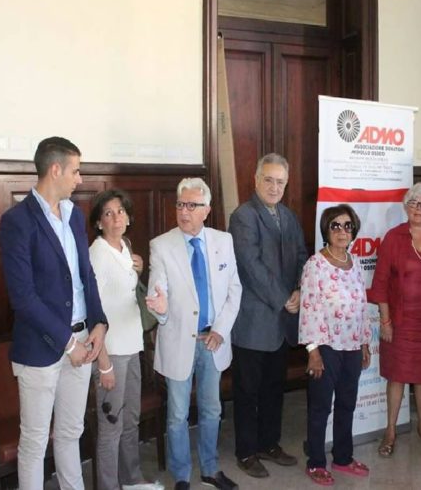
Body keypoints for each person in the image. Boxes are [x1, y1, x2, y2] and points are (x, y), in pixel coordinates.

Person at [0, 136, 108, 490]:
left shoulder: (74, 215)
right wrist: (67, 343)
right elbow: (23, 298)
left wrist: (99, 323)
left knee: (71, 433)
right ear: (55, 169)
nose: (80, 179)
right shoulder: (17, 221)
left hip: (82, 340)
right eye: (75, 171)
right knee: (34, 443)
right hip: (41, 348)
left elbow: (86, 275)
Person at [145, 178, 242, 490]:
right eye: (180, 204)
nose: (184, 211)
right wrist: (160, 307)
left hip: (213, 340)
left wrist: (220, 330)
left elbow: (234, 290)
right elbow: (158, 292)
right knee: (177, 414)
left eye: (192, 205)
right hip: (178, 341)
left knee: (212, 409)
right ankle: (182, 475)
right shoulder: (161, 246)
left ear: (206, 210)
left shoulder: (223, 241)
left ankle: (210, 469)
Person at [228, 153, 308, 478]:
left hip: (282, 321)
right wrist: (283, 298)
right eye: (269, 180)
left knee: (274, 388)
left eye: (280, 182)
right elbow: (251, 267)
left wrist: (299, 289)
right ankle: (247, 452)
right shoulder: (243, 217)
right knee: (247, 392)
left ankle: (269, 444)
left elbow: (302, 255)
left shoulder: (288, 216)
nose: (275, 187)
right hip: (253, 321)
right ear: (256, 180)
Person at [88, 189, 163, 490]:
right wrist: (103, 362)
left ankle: (131, 479)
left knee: (131, 420)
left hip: (133, 346)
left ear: (128, 217)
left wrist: (139, 270)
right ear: (99, 222)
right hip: (111, 352)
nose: (116, 217)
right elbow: (92, 310)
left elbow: (127, 291)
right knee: (111, 426)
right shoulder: (97, 253)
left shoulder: (125, 247)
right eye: (108, 213)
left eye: (120, 211)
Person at [370, 183, 421, 457]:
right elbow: (380, 283)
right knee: (397, 377)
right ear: (406, 206)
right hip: (400, 322)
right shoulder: (393, 238)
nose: (418, 208)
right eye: (414, 203)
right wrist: (385, 321)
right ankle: (390, 431)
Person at [299, 204, 372, 486]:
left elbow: (362, 305)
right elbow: (309, 309)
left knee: (346, 404)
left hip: (352, 347)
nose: (342, 231)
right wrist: (313, 351)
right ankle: (316, 462)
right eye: (336, 226)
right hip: (326, 347)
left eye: (347, 226)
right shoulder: (315, 265)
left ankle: (342, 457)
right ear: (326, 230)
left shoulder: (355, 263)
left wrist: (364, 343)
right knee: (320, 408)